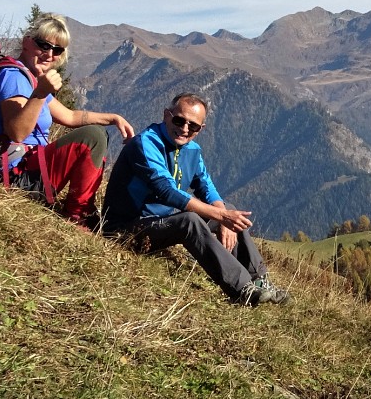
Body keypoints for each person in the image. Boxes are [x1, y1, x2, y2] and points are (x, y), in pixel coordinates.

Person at [103, 92, 290, 305]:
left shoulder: (191, 149)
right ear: (166, 115)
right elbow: (166, 190)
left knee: (230, 210)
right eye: (179, 120)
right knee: (191, 221)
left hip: (159, 223)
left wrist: (224, 215)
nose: (184, 129)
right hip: (123, 229)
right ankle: (242, 290)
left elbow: (206, 186)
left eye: (193, 126)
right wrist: (221, 216)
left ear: (201, 129)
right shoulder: (145, 144)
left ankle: (260, 280)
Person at [0, 12, 134, 226]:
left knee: (97, 132)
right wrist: (40, 93)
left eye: (57, 50)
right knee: (94, 136)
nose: (49, 54)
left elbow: (70, 116)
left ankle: (80, 210)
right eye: (43, 45)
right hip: (15, 177)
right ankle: (78, 215)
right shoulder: (13, 77)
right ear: (26, 42)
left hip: (30, 170)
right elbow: (16, 132)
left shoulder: (31, 78)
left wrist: (113, 118)